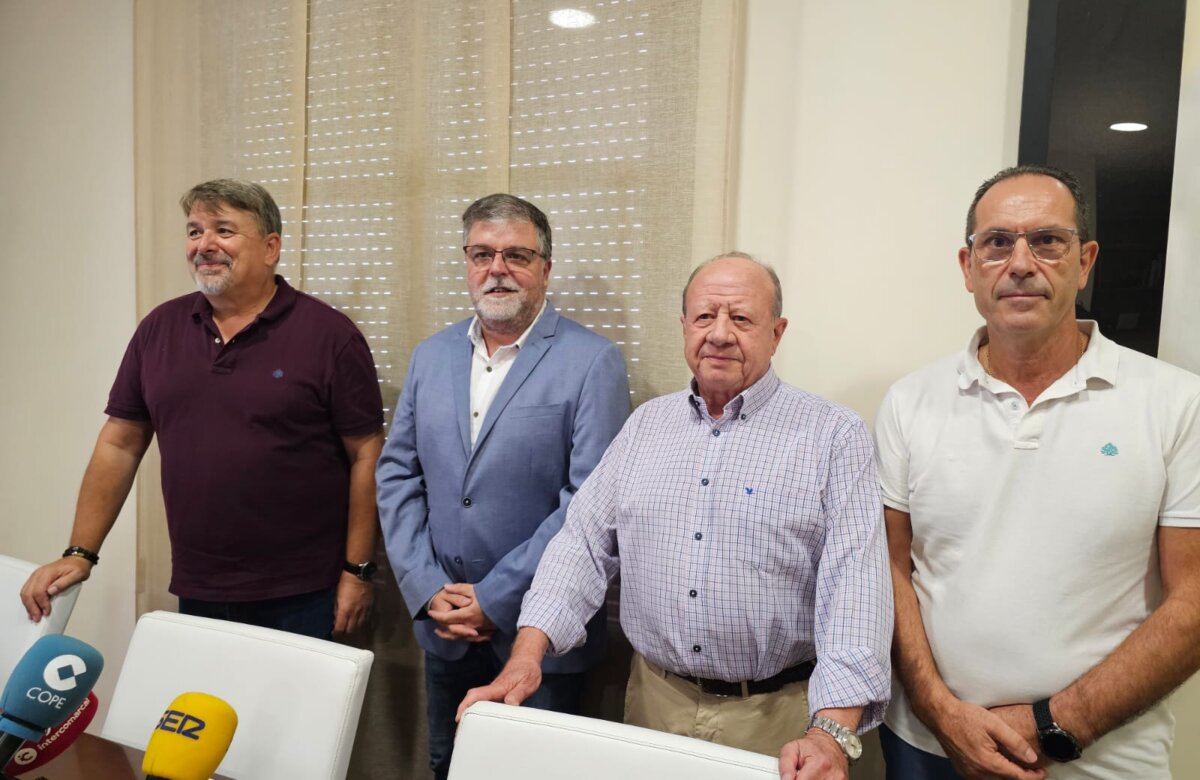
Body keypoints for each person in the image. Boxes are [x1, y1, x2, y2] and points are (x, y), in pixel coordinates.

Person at [460, 253, 892, 780]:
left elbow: (855, 593)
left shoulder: (833, 436)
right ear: (684, 326)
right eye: (705, 316)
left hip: (781, 720)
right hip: (654, 702)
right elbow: (582, 546)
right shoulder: (646, 426)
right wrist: (528, 653)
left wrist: (830, 733)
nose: (720, 334)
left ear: (777, 333)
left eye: (741, 318)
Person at [876, 165, 1200, 780]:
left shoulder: (1178, 404)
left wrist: (1053, 725)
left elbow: (1194, 603)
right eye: (997, 242)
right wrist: (940, 712)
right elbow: (891, 568)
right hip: (929, 747)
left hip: (1103, 759)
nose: (1021, 263)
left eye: (1047, 240)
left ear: (1085, 262)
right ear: (968, 266)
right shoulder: (910, 402)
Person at [20, 179, 384, 640]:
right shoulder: (159, 328)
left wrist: (358, 570)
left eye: (224, 231)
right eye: (194, 231)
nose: (204, 245)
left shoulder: (329, 335)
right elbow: (120, 444)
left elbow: (367, 453)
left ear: (271, 247)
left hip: (305, 591)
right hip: (198, 584)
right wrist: (80, 552)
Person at [375, 193, 630, 779]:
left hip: (540, 638)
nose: (497, 269)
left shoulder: (592, 361)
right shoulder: (430, 356)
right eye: (482, 254)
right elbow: (397, 474)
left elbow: (589, 501)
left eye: (516, 255)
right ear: (467, 262)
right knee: (448, 765)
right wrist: (426, 587)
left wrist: (495, 598)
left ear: (546, 267)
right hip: (445, 626)